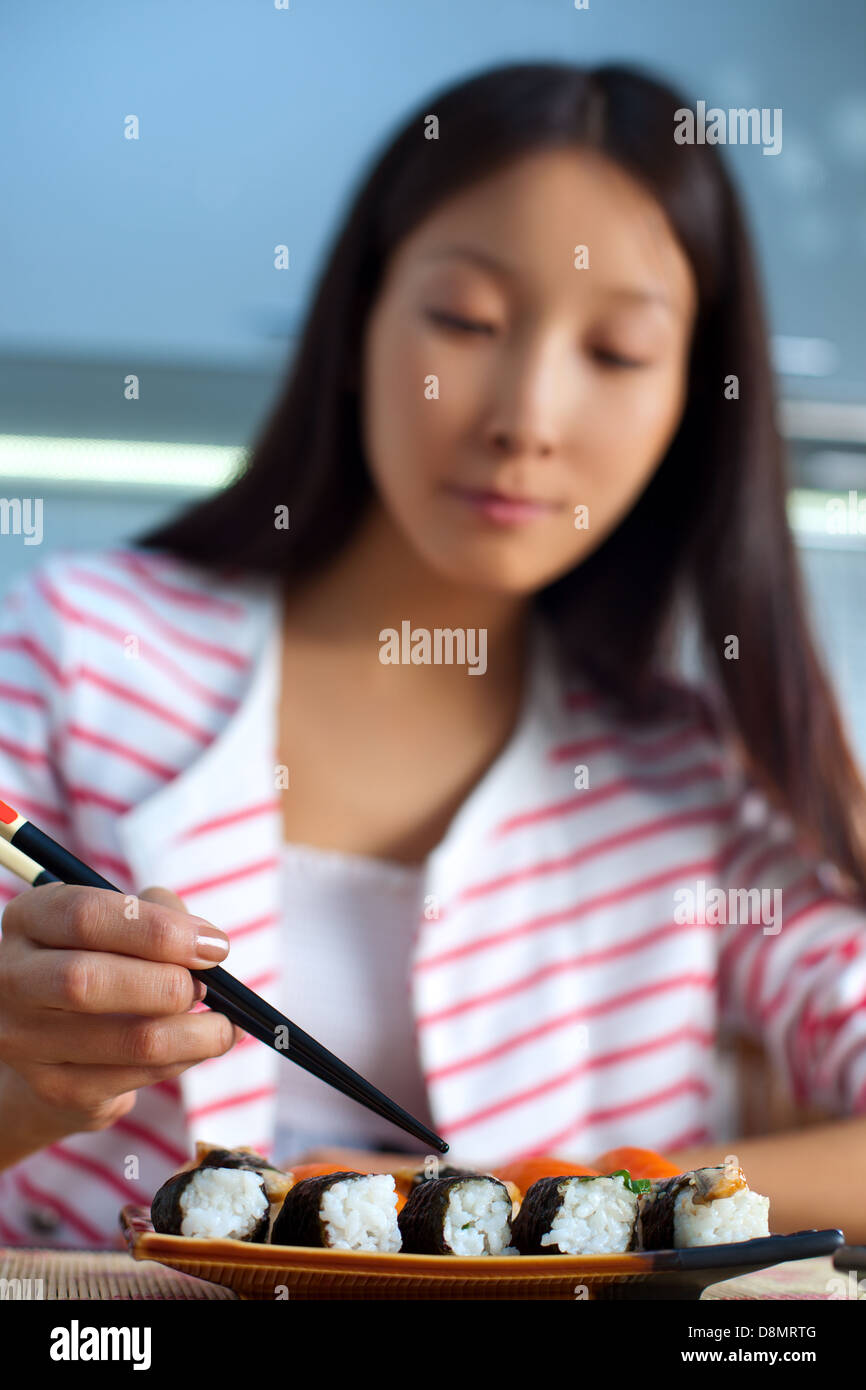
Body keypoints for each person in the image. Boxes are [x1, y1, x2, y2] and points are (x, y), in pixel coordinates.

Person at [1, 61, 866, 1250]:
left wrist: (571, 1191)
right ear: (359, 320)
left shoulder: (696, 775)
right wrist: (21, 1082)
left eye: (615, 353)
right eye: (464, 321)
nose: (526, 415)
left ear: (690, 406)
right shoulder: (78, 650)